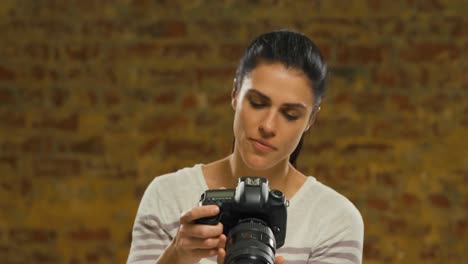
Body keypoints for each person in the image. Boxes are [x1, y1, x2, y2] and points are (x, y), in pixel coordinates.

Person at [127, 29, 364, 264]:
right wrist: (177, 256)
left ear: (310, 120)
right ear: (234, 94)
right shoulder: (169, 197)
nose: (268, 126)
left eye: (290, 115)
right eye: (258, 103)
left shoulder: (335, 219)